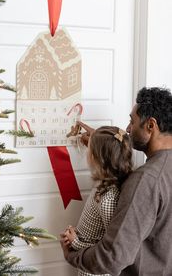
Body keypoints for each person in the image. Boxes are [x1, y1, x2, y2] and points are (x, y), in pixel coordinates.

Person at [60, 86, 172, 275]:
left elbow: (112, 257)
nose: (128, 129)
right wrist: (101, 145)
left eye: (132, 121)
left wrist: (71, 254)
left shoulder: (146, 180)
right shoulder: (159, 174)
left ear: (151, 126)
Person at [63, 126, 133, 276]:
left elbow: (110, 246)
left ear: (95, 157)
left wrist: (75, 241)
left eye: (90, 148)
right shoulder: (105, 184)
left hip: (95, 271)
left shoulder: (108, 198)